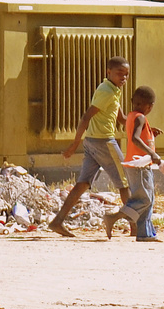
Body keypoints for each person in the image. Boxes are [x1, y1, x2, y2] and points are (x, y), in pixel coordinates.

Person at [52, 56, 131, 238]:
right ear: (108, 72)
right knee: (125, 183)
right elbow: (86, 117)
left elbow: (122, 119)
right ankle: (135, 226)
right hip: (104, 142)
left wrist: (144, 126)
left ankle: (57, 221)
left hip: (93, 142)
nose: (123, 78)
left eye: (126, 75)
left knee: (82, 184)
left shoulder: (112, 89)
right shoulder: (107, 92)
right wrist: (74, 144)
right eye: (120, 74)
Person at [105, 86, 164, 242]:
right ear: (150, 106)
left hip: (138, 164)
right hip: (139, 165)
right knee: (144, 199)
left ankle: (145, 233)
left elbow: (139, 134)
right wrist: (152, 154)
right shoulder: (140, 117)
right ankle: (114, 218)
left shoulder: (132, 116)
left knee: (149, 199)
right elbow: (135, 138)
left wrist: (151, 132)